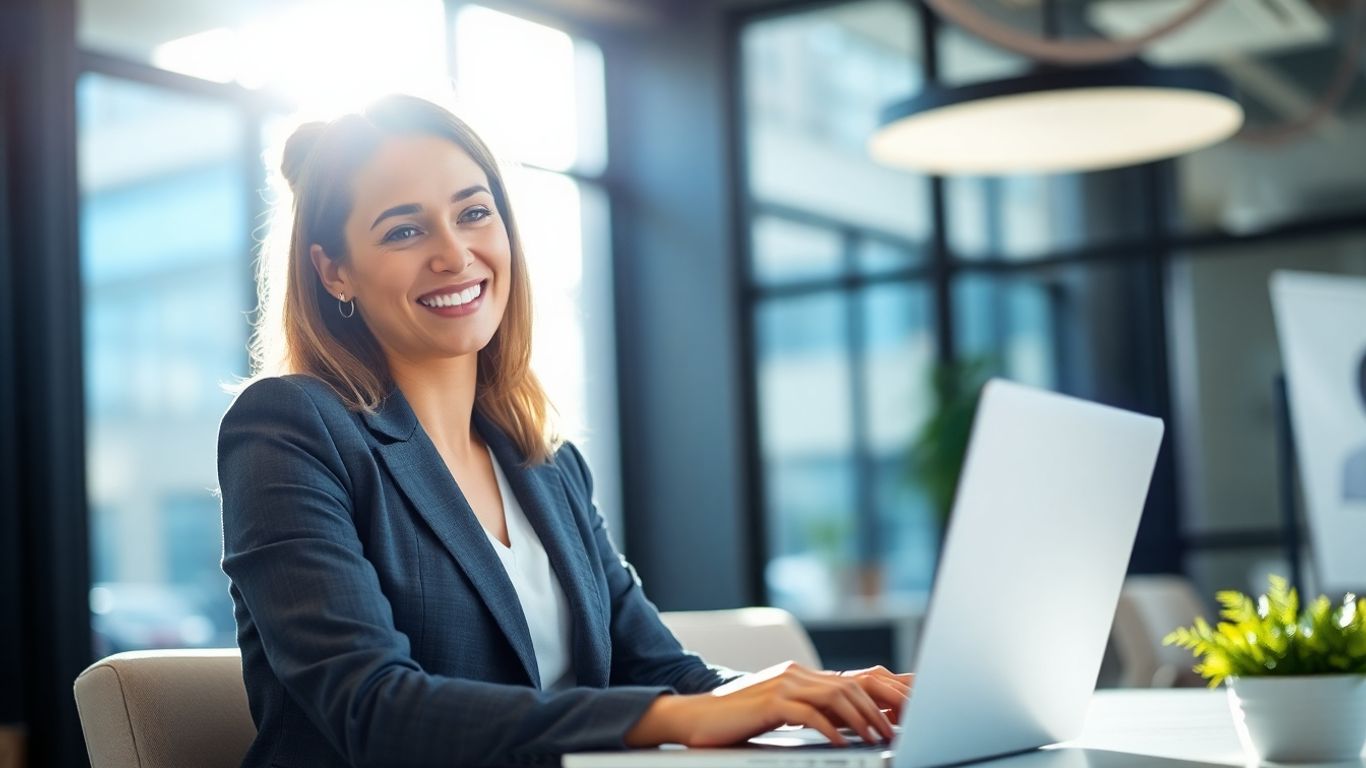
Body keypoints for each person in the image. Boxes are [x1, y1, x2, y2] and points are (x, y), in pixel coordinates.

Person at [217, 93, 911, 768]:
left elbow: (660, 671)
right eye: (404, 230)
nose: (454, 254)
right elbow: (373, 710)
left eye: (474, 213)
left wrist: (810, 696)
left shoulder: (545, 464)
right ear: (334, 270)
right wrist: (676, 717)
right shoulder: (290, 427)